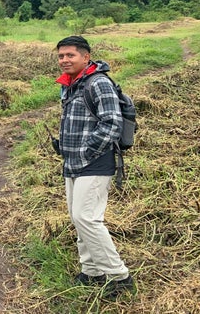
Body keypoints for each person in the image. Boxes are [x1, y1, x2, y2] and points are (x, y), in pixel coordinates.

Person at [54, 35, 134, 298]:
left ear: (86, 57)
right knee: (78, 218)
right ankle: (91, 270)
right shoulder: (72, 85)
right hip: (72, 162)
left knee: (87, 217)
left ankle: (118, 276)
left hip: (95, 162)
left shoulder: (98, 83)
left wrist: (88, 150)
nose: (64, 60)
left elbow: (112, 123)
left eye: (70, 55)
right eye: (61, 56)